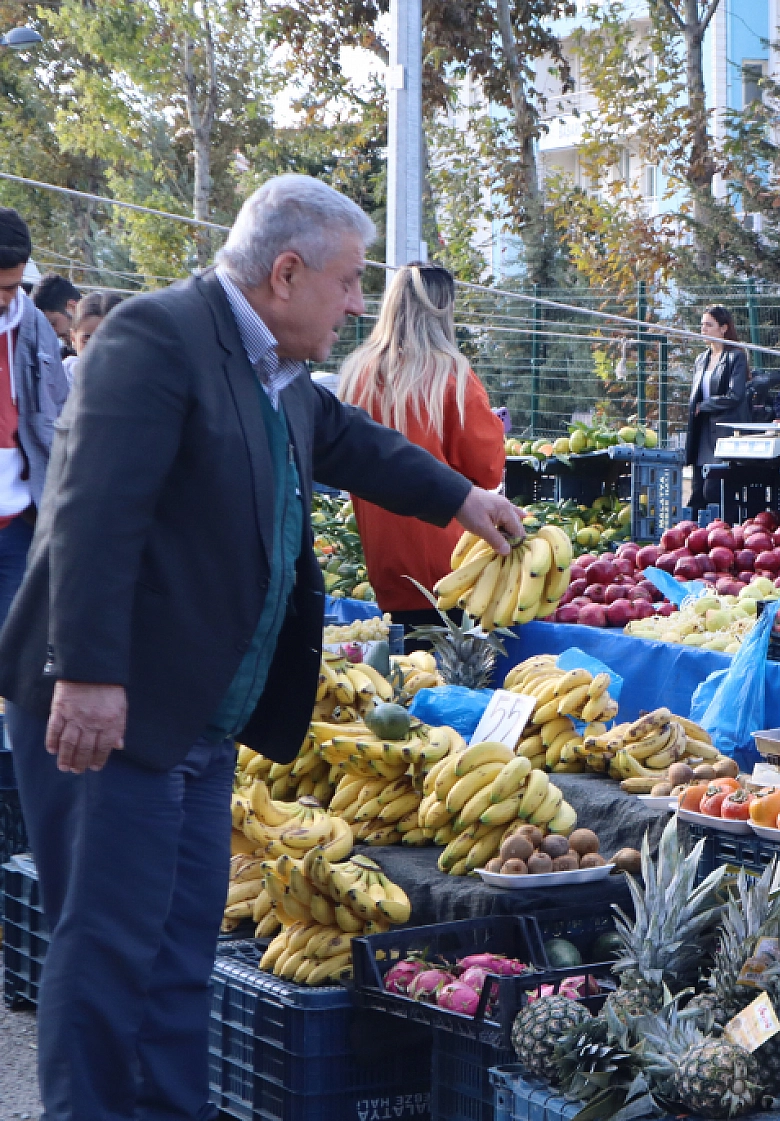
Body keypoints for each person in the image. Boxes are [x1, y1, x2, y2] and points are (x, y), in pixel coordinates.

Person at [0, 174, 526, 1121]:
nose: (360, 301)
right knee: (110, 945)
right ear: (286, 273)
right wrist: (85, 673)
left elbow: (358, 443)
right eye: (349, 280)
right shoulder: (154, 339)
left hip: (204, 716)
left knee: (178, 949)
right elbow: (88, 513)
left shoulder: (278, 373)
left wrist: (463, 500)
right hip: (114, 709)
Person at [339, 262, 506, 634]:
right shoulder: (451, 376)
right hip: (451, 567)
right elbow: (488, 470)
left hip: (385, 565)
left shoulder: (357, 374)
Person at [0, 210, 70, 634]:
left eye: (10, 286)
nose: (3, 298)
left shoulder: (34, 328)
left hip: (21, 526)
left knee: (14, 660)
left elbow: (60, 418)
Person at [684, 304, 750, 511]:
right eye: (702, 325)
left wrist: (705, 405)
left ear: (724, 328)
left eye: (709, 325)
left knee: (713, 491)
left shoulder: (736, 357)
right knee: (697, 493)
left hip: (724, 433)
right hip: (701, 432)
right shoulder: (701, 359)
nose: (703, 329)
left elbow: (735, 395)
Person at [62, 290, 124, 382]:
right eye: (87, 342)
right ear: (73, 338)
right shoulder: (59, 380)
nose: (96, 351)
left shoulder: (138, 381)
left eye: (109, 343)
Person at [33, 274, 80, 355]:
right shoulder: (61, 357)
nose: (51, 333)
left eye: (53, 323)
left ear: (72, 307)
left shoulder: (105, 343)